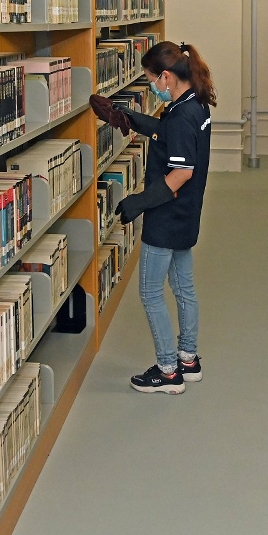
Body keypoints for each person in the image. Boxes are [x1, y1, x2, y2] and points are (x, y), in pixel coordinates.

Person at [90, 41, 215, 394]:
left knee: (150, 291)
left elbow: (181, 173)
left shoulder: (182, 117)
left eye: (151, 79)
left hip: (166, 217)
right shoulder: (195, 104)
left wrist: (139, 202)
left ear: (166, 76)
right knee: (183, 288)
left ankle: (168, 371)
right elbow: (166, 132)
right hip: (187, 215)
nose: (151, 86)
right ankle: (187, 359)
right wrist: (128, 117)